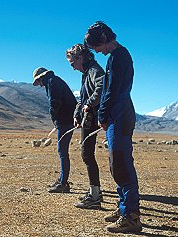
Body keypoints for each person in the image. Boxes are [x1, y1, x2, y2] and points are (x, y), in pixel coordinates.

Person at [84, 21, 142, 233]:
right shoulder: (115, 57)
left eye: (97, 47)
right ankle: (124, 207)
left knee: (122, 164)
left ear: (105, 39)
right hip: (117, 115)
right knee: (116, 164)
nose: (97, 52)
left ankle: (131, 216)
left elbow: (112, 90)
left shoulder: (119, 58)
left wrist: (101, 114)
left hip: (119, 115)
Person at [65, 44, 105, 209]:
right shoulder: (87, 73)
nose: (73, 68)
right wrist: (76, 114)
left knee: (87, 154)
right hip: (87, 118)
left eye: (73, 63)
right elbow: (82, 97)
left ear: (80, 58)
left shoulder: (95, 70)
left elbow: (101, 88)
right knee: (87, 154)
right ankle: (95, 191)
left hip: (93, 118)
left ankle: (95, 196)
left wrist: (89, 105)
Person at [32, 67, 77, 193]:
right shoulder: (55, 80)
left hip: (65, 120)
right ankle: (62, 180)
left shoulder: (51, 82)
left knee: (62, 151)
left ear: (41, 78)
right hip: (67, 119)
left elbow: (54, 102)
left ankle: (63, 183)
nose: (40, 85)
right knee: (62, 150)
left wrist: (54, 118)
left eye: (38, 82)